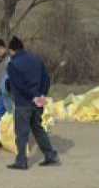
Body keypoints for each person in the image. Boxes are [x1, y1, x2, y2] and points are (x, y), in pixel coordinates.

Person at [5, 36, 60, 170]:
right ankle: (50, 155)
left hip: (23, 102)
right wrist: (41, 95)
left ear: (12, 50)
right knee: (38, 129)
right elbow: (46, 79)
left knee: (22, 133)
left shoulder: (12, 64)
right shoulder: (37, 60)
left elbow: (19, 85)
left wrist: (32, 95)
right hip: (38, 102)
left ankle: (21, 161)